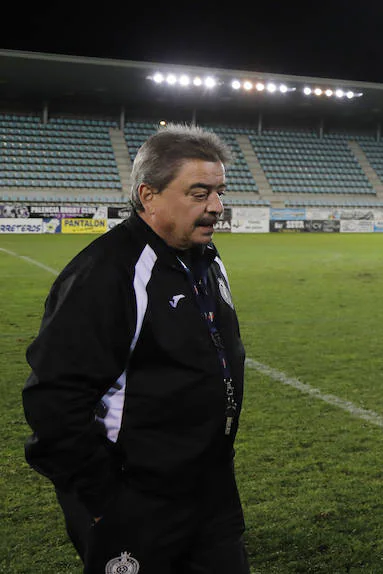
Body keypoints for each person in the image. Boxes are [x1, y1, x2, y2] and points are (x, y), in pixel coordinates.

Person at [22, 124, 250, 574]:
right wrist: (104, 500)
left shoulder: (205, 257)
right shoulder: (106, 274)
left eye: (220, 192)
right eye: (199, 193)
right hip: (136, 499)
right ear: (148, 195)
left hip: (210, 489)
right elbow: (54, 401)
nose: (216, 208)